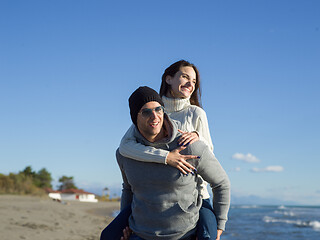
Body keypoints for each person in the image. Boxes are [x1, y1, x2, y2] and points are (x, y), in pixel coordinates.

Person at [100, 86, 230, 240]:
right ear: (135, 117)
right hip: (141, 234)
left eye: (158, 109)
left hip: (184, 235)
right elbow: (128, 189)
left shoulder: (190, 147)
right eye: (146, 112)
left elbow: (221, 183)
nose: (154, 116)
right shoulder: (126, 154)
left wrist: (219, 226)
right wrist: (125, 226)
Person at [119, 60, 218, 239]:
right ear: (169, 79)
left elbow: (209, 154)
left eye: (194, 81)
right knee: (111, 234)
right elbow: (125, 147)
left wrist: (198, 138)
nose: (190, 84)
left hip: (197, 195)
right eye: (185, 77)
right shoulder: (151, 108)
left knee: (209, 236)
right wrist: (166, 157)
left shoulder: (196, 113)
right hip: (150, 196)